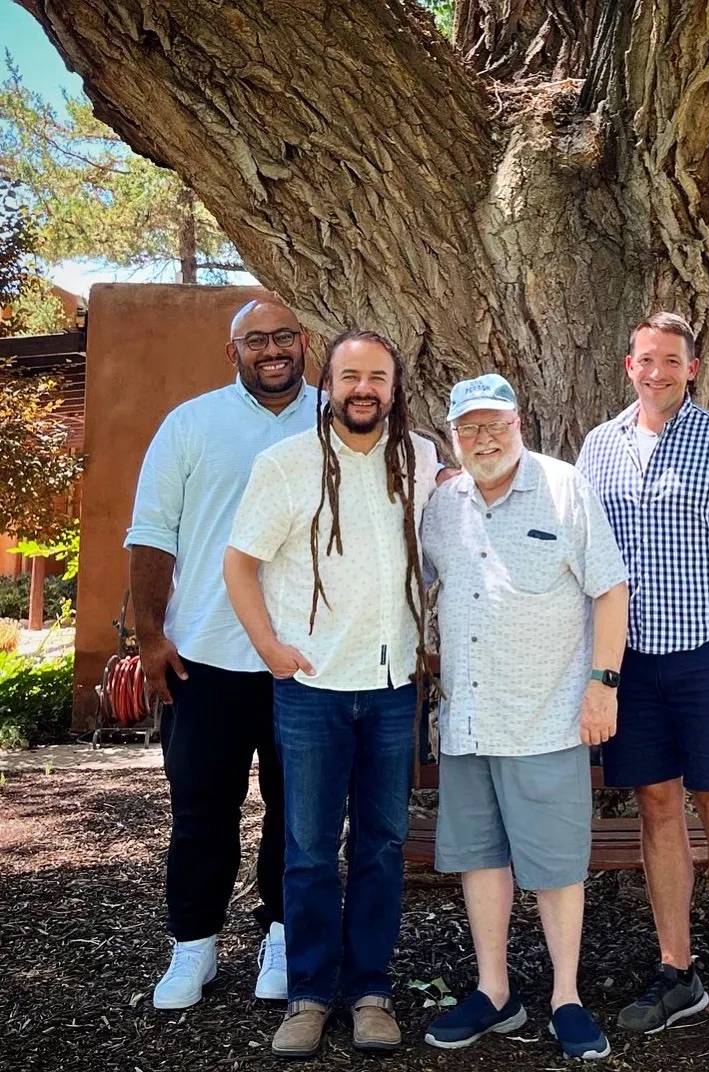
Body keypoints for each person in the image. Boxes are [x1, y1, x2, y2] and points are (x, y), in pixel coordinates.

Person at [576, 313, 709, 1065]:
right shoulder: (598, 448)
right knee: (657, 807)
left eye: (672, 361)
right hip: (631, 663)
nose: (657, 371)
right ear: (627, 365)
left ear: (692, 369)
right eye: (645, 360)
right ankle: (677, 971)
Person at [223, 329, 439, 1058]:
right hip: (312, 690)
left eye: (377, 376)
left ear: (394, 385)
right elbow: (239, 565)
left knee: (380, 846)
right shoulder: (285, 465)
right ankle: (310, 994)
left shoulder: (420, 459)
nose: (363, 389)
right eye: (350, 375)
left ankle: (371, 990)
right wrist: (271, 652)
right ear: (330, 382)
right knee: (310, 851)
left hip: (389, 690)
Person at [420, 374, 629, 1061]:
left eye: (495, 425)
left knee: (556, 864)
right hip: (470, 718)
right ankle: (494, 990)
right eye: (469, 428)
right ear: (454, 437)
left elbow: (609, 588)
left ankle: (566, 996)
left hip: (546, 715)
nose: (484, 439)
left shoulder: (565, 488)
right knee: (480, 858)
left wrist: (603, 684)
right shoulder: (442, 504)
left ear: (520, 423)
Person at [125, 298, 316, 1010]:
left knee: (298, 812)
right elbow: (151, 534)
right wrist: (149, 636)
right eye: (256, 339)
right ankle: (194, 946)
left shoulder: (335, 421)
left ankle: (284, 935)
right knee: (202, 809)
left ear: (304, 344)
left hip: (304, 659)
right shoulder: (191, 425)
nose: (272, 349)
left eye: (284, 337)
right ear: (231, 351)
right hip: (202, 657)